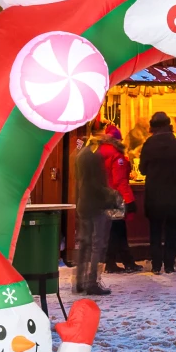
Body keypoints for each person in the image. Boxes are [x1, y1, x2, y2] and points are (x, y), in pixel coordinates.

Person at [139, 112, 176, 274]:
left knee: (155, 232)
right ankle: (169, 266)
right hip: (173, 194)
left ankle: (156, 266)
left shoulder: (148, 144)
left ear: (153, 127)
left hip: (154, 196)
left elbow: (142, 170)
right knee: (171, 232)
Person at [75, 126, 115, 295]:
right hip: (95, 204)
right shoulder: (94, 156)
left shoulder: (80, 154)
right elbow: (99, 184)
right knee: (97, 245)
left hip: (83, 202)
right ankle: (92, 282)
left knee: (85, 243)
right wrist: (111, 194)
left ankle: (80, 281)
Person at [99, 125, 142, 273]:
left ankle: (118, 262)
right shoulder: (117, 156)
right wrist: (130, 201)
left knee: (112, 231)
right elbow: (120, 181)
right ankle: (122, 262)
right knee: (118, 231)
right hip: (116, 198)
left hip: (103, 196)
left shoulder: (98, 152)